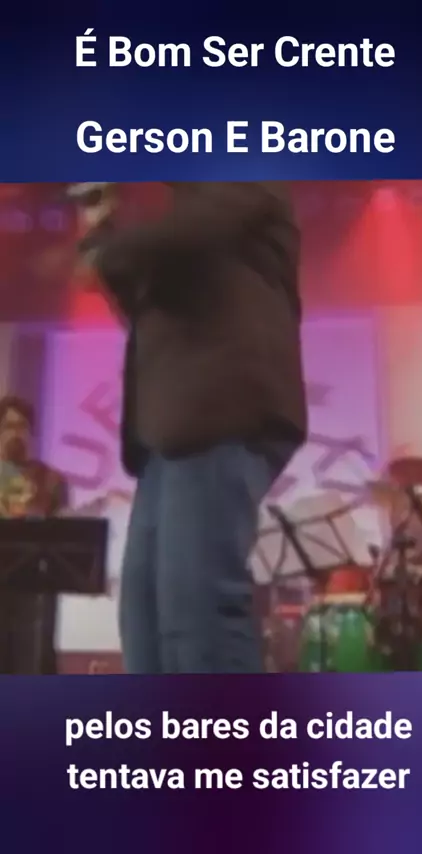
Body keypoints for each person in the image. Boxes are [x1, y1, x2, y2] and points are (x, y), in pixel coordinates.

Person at [76, 181, 307, 673]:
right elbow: (141, 305)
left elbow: (188, 233)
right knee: (144, 614)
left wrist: (106, 252)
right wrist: (101, 236)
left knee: (198, 607)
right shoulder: (170, 225)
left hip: (220, 405)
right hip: (169, 427)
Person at [0, 395, 69, 673]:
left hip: (34, 595)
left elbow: (63, 538)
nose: (15, 433)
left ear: (32, 433)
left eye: (22, 426)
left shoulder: (51, 480)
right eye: (8, 426)